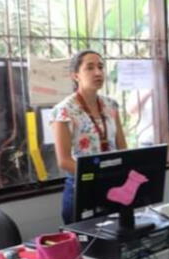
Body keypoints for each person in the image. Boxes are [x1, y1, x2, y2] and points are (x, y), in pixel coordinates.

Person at [51, 50, 127, 224]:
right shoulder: (64, 110)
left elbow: (122, 147)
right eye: (90, 68)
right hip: (83, 185)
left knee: (115, 239)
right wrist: (98, 174)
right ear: (75, 75)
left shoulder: (111, 104)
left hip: (112, 184)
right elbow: (63, 161)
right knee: (86, 246)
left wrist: (121, 172)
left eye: (101, 67)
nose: (98, 73)